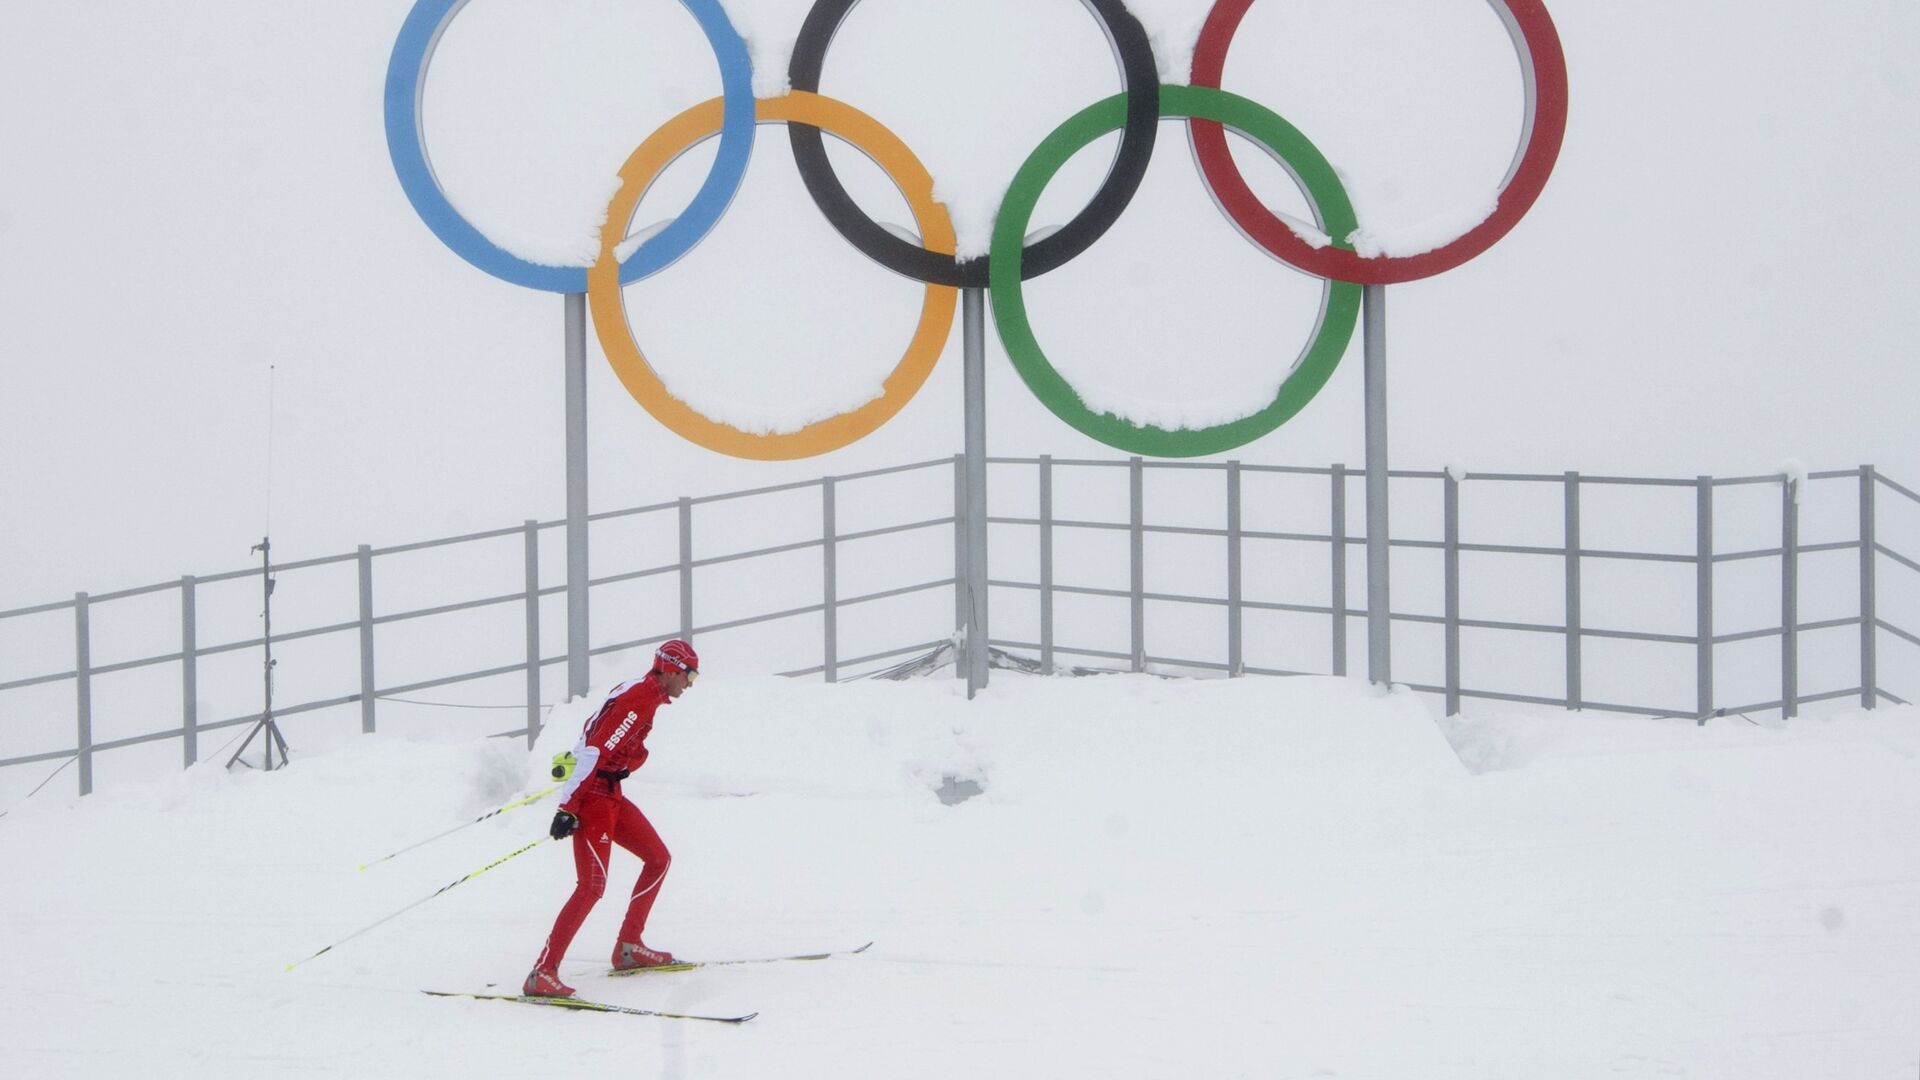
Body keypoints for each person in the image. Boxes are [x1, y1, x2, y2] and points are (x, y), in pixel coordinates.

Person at [523, 639, 699, 998]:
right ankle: (543, 972)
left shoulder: (645, 695)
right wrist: (568, 807)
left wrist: (633, 757)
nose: (689, 683)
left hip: (612, 794)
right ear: (669, 669)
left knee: (657, 858)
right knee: (591, 887)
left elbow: (597, 737)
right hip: (595, 800)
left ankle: (629, 947)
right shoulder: (639, 698)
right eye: (688, 674)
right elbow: (593, 751)